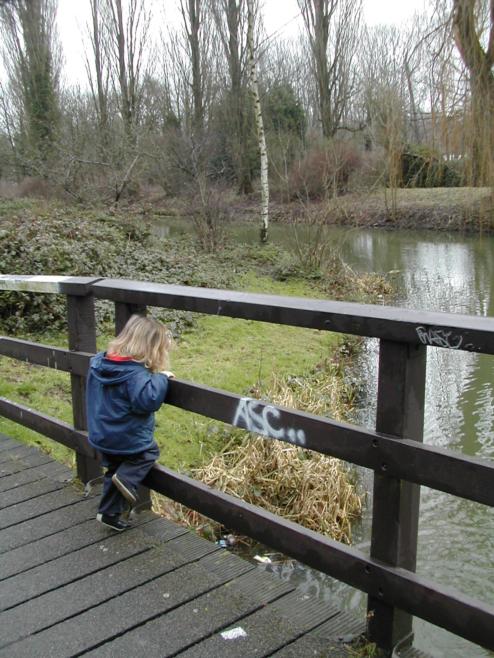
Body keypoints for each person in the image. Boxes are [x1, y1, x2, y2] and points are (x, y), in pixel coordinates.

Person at [86, 314, 174, 531]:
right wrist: (162, 377)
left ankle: (109, 514)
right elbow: (148, 400)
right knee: (147, 454)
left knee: (113, 470)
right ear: (151, 348)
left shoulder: (100, 362)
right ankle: (126, 480)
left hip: (102, 435)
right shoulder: (135, 373)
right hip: (127, 439)